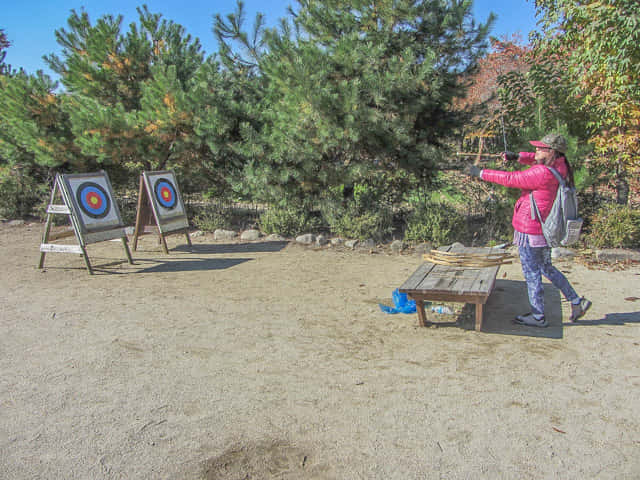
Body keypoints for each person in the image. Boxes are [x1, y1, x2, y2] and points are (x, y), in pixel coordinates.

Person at [465, 133, 591, 327]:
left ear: (552, 152)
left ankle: (538, 317)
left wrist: (480, 173)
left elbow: (510, 178)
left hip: (530, 230)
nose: (536, 151)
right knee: (545, 267)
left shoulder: (542, 174)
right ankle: (576, 302)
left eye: (541, 148)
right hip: (542, 228)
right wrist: (517, 156)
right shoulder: (560, 165)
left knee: (532, 272)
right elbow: (534, 159)